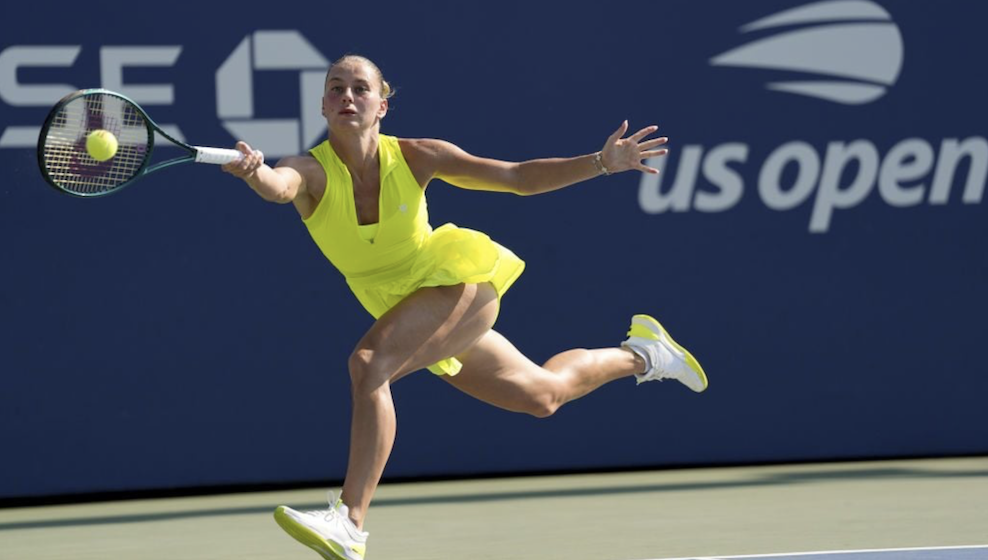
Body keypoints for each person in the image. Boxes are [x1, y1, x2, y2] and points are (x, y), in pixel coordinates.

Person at [222, 54, 708, 560]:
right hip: (406, 307)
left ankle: (349, 521)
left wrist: (601, 162)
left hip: (457, 282)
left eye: (360, 88)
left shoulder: (417, 156)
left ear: (381, 105)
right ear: (323, 105)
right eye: (337, 88)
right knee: (542, 396)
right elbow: (280, 189)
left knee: (369, 366)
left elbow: (517, 177)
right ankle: (647, 354)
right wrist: (256, 173)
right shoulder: (308, 170)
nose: (348, 96)